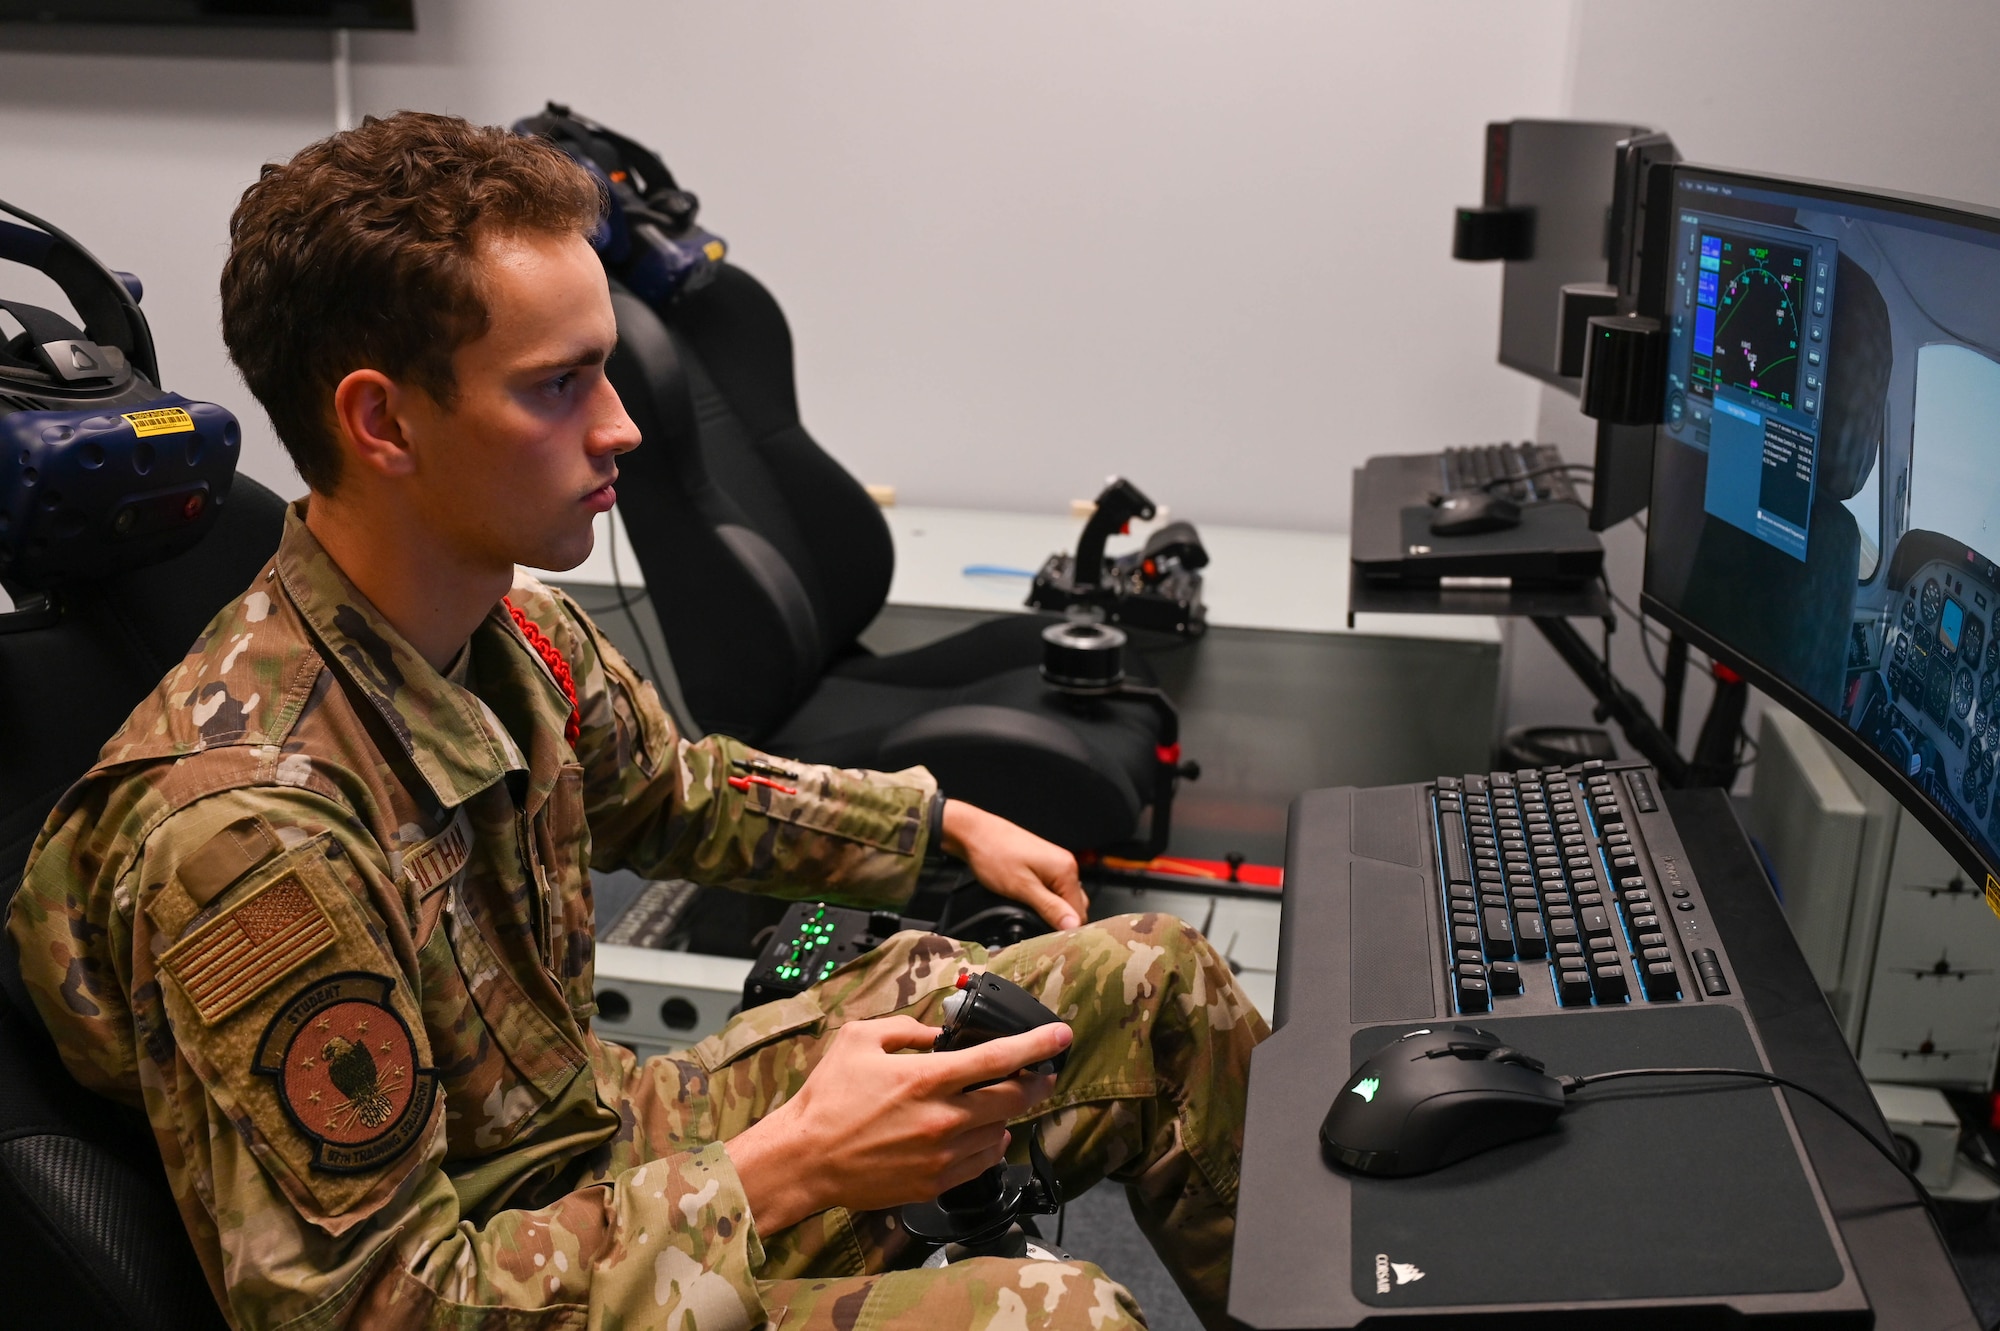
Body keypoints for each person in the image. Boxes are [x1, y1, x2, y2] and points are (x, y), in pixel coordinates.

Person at [8, 112, 1265, 1331]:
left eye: (602, 367)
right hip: (491, 1276)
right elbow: (378, 1306)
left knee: (1151, 983)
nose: (621, 425)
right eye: (557, 386)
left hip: (605, 1154)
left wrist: (940, 819)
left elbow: (676, 791)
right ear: (381, 421)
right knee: (1054, 1315)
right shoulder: (249, 838)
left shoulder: (517, 638)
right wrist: (793, 1164)